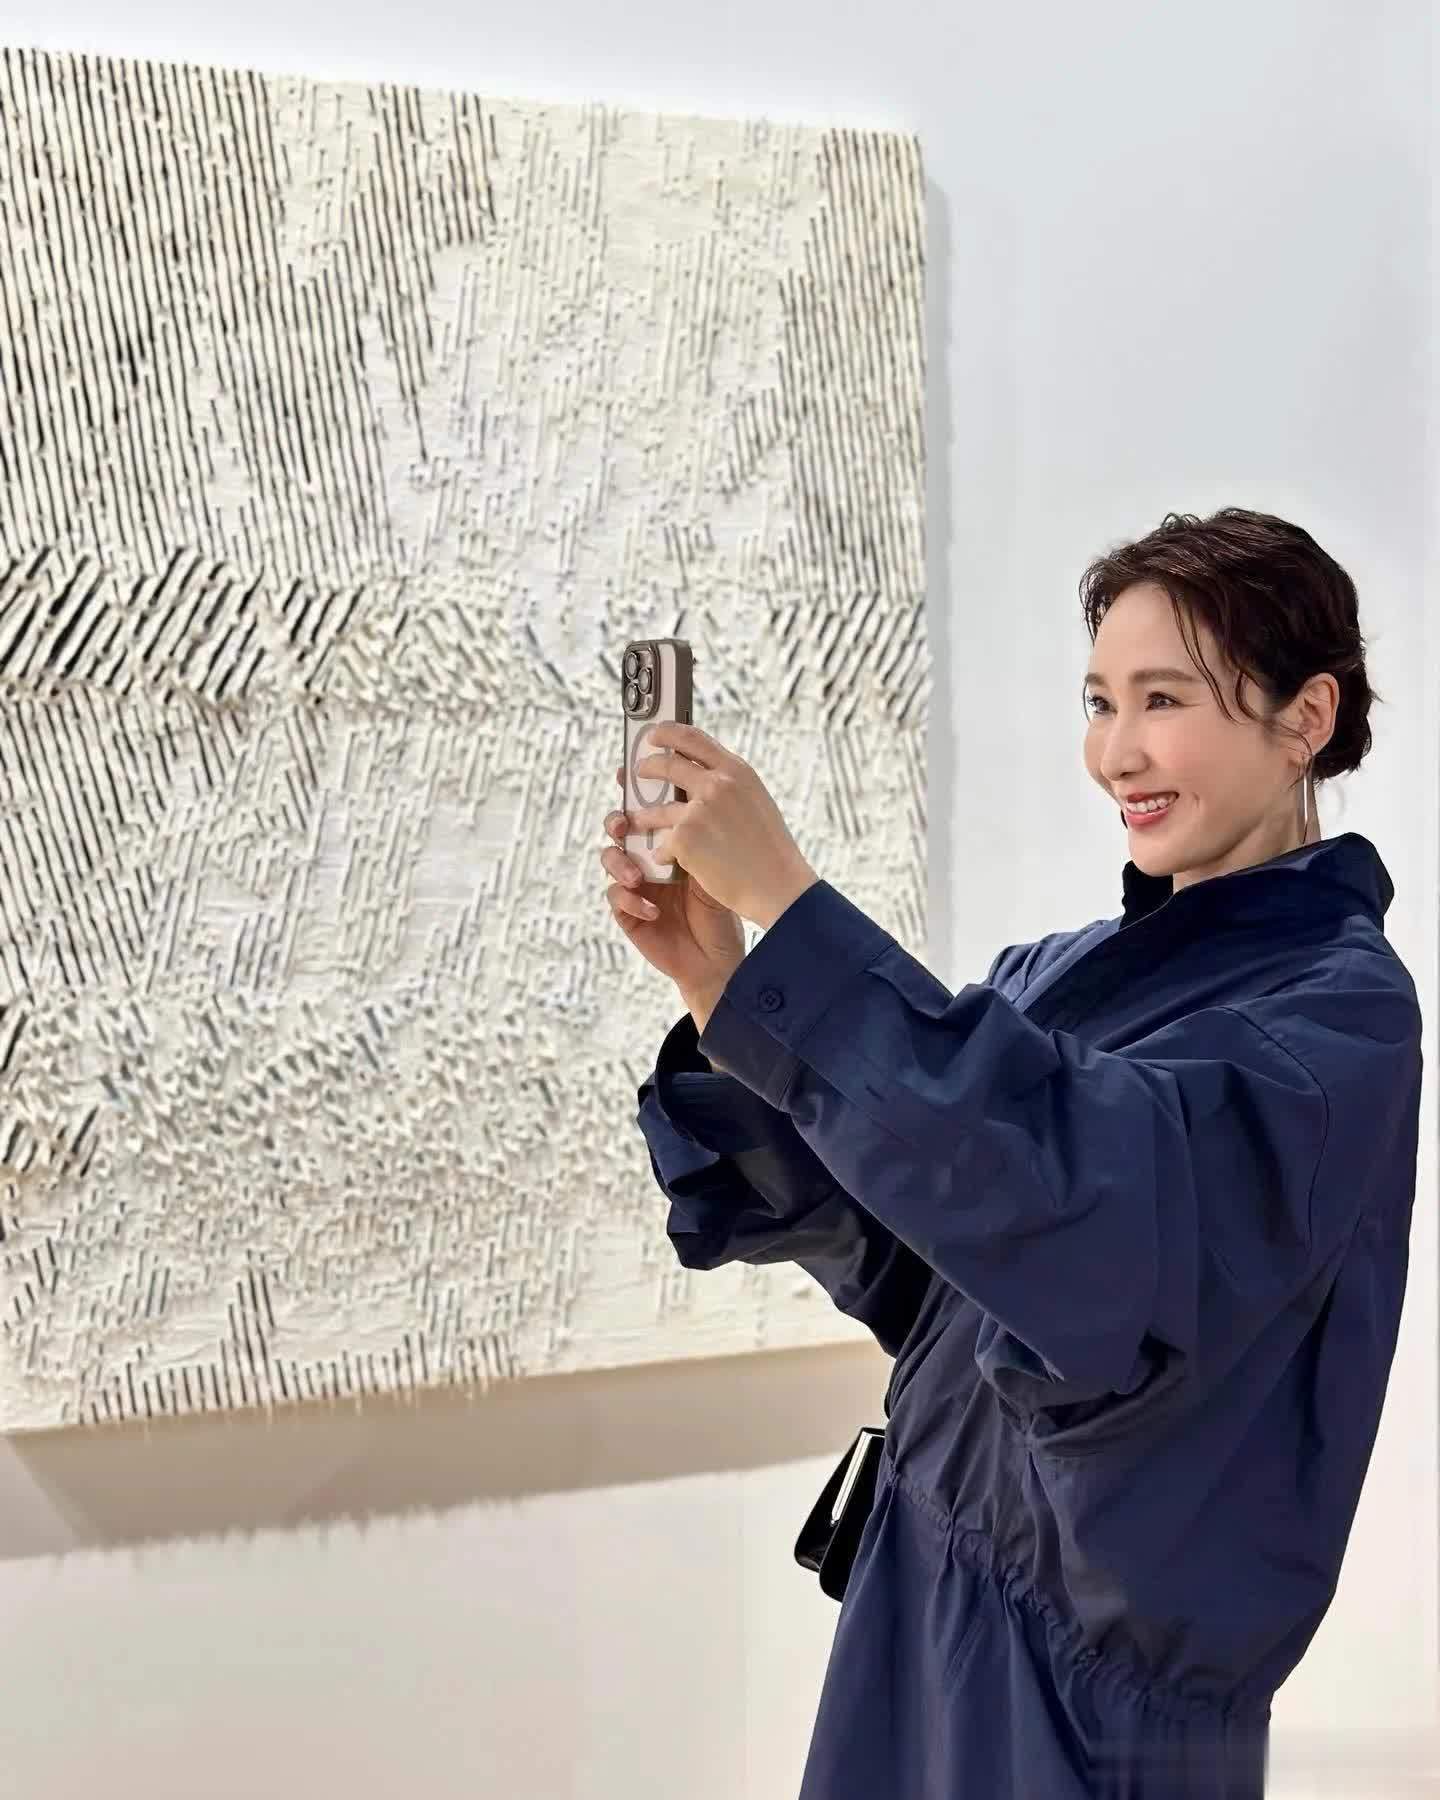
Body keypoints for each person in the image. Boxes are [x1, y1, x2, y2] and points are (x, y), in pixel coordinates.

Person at [601, 507, 1423, 1798]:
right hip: (918, 1603)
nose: (1115, 753)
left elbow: (1081, 1211)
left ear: (1304, 718)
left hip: (1083, 1715)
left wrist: (796, 908)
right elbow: (918, 1250)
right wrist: (724, 986)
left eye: (1164, 699)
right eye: (1099, 701)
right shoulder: (1059, 977)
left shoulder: (1338, 1022)